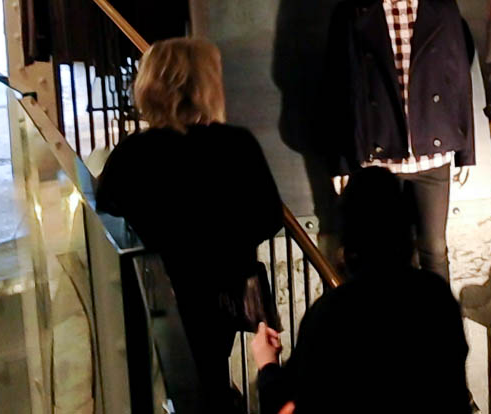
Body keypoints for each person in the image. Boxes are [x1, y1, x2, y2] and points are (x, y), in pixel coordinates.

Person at [96, 38, 283, 411]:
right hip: (222, 290)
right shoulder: (234, 144)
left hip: (162, 291)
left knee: (179, 378)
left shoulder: (131, 154)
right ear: (205, 85)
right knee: (210, 371)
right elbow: (268, 217)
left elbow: (107, 215)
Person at [252, 167, 470, 414]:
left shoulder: (331, 313)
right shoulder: (435, 297)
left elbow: (285, 404)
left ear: (349, 236)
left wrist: (267, 363)